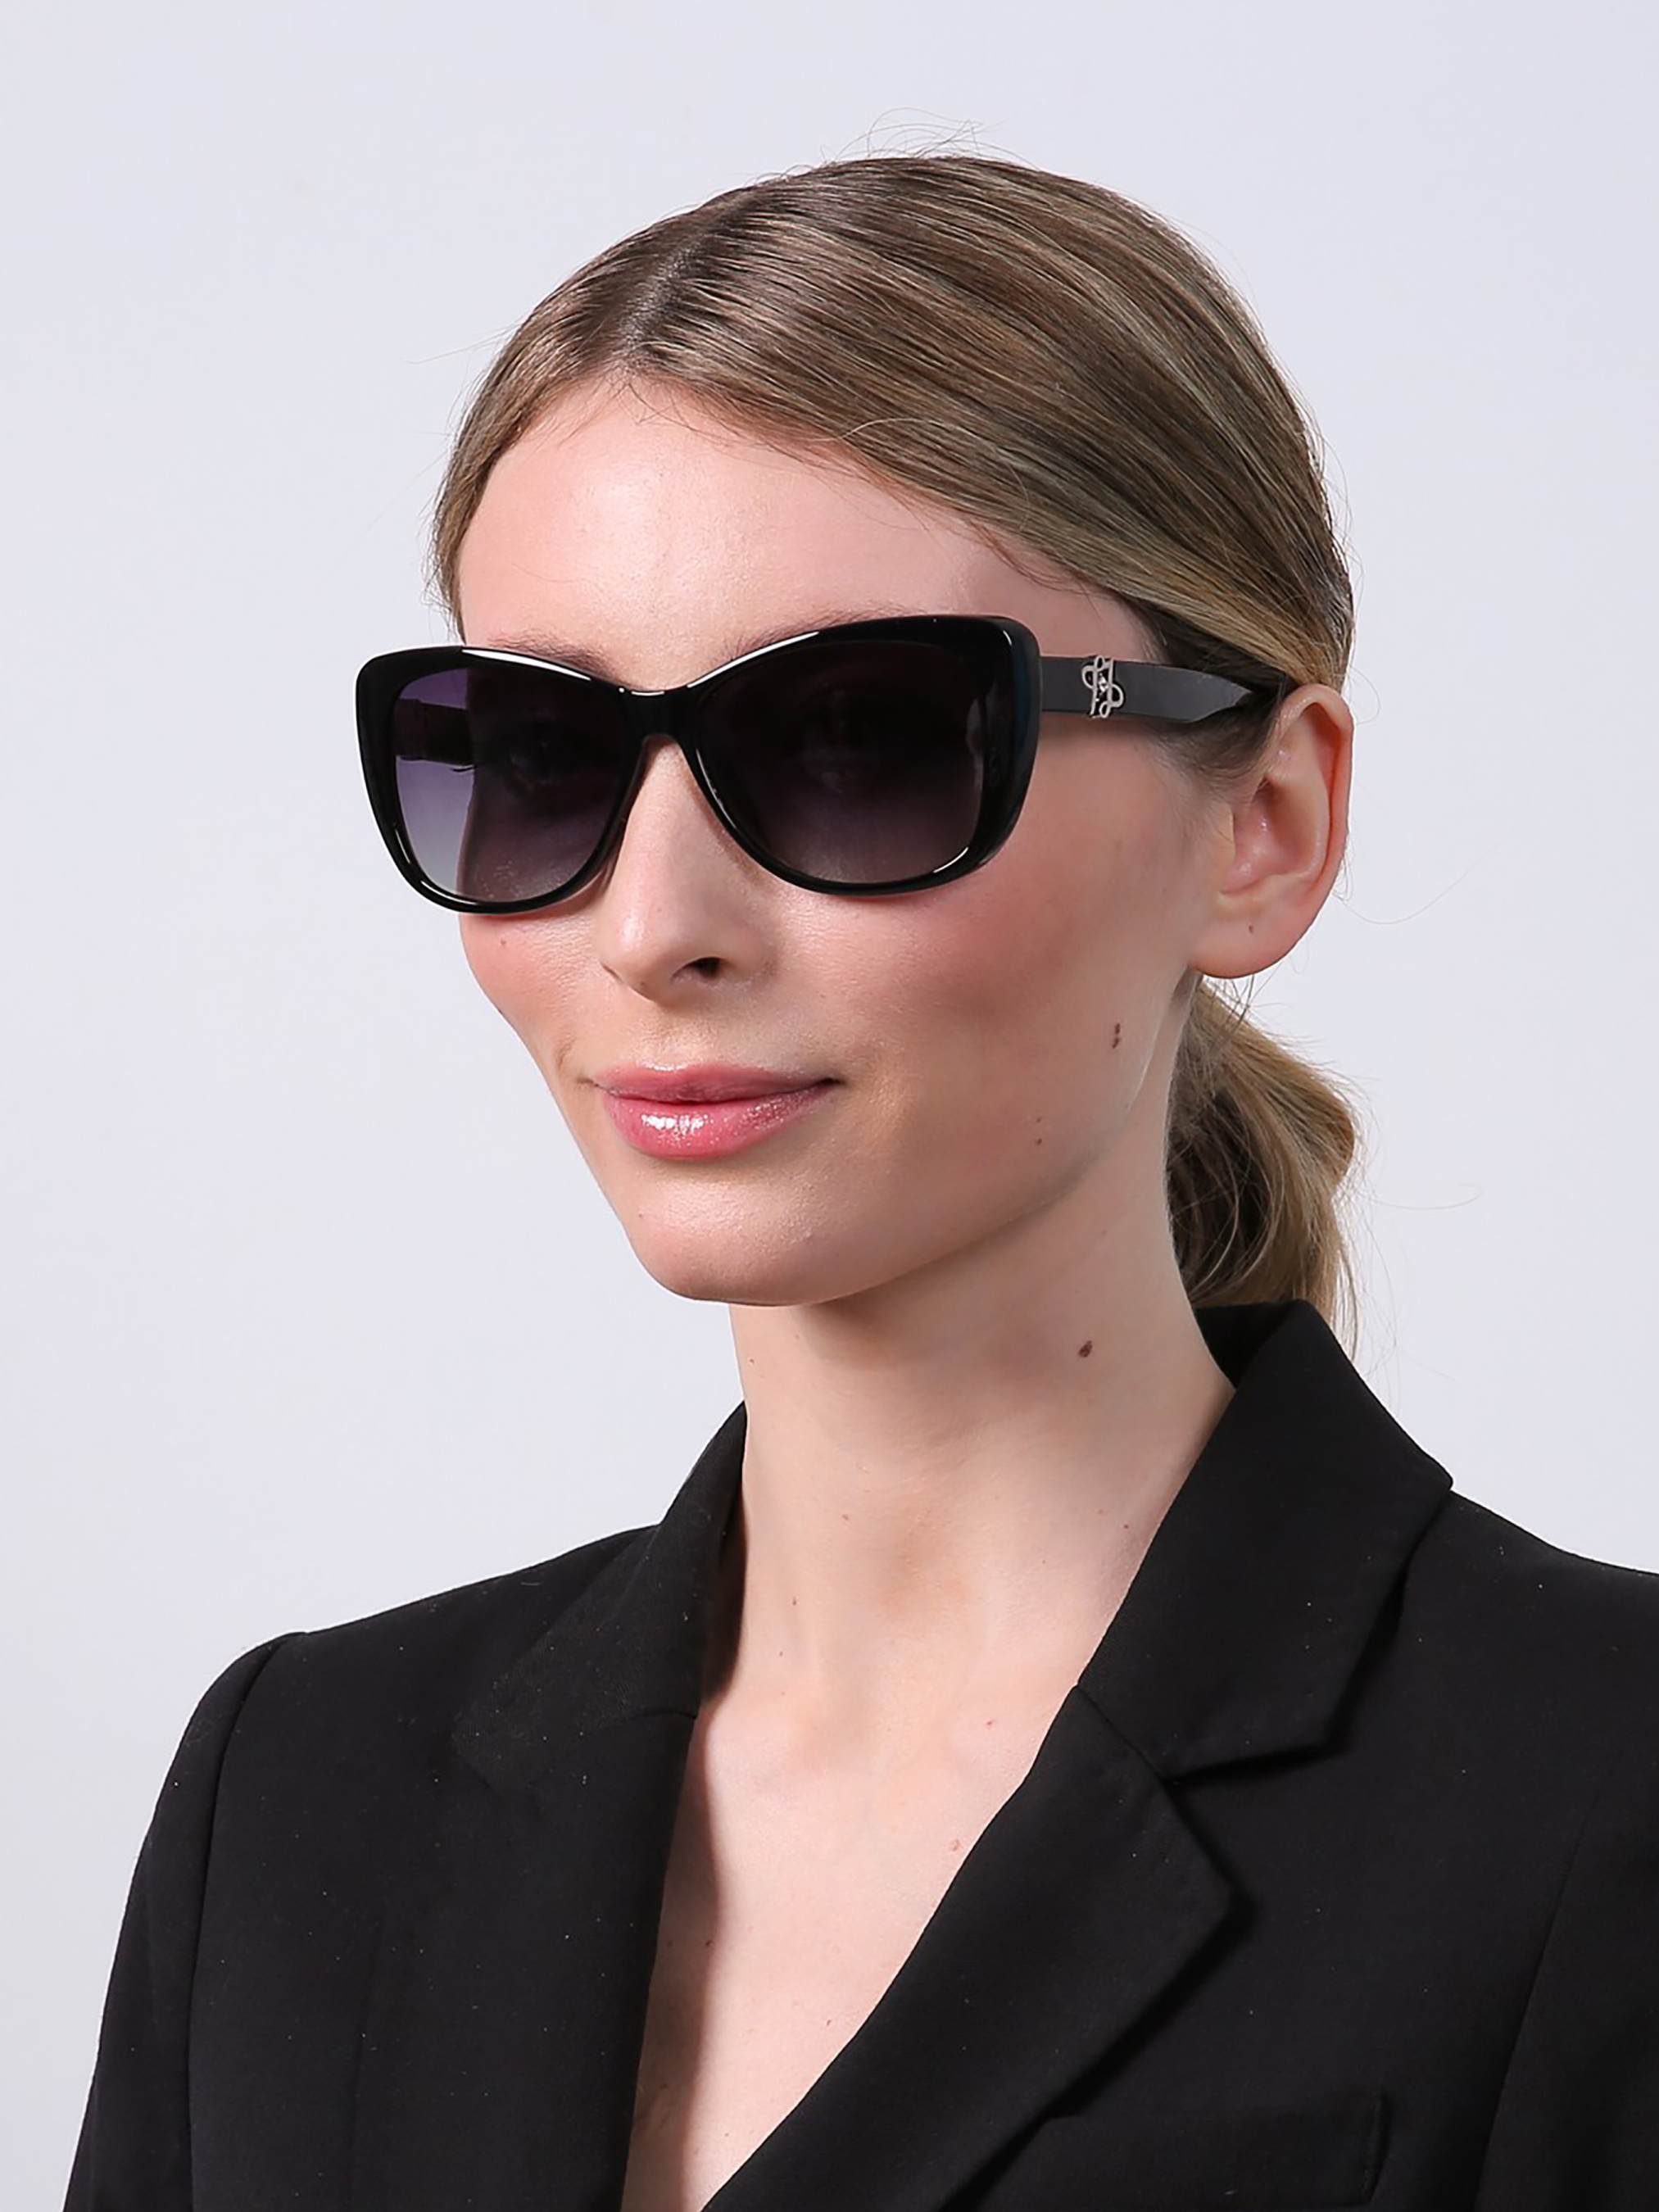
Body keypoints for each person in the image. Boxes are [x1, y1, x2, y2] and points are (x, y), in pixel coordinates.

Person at [66, 152, 1659, 2212]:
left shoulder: (1600, 1802)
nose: (653, 927)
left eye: (857, 739)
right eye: (541, 754)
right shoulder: (298, 1797)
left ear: (1258, 822)